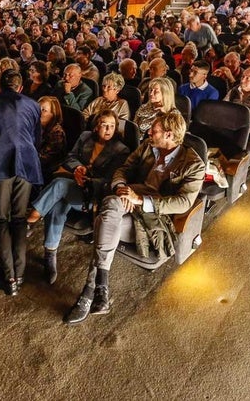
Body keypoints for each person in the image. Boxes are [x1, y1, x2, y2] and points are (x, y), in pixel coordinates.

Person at [64, 111, 205, 324]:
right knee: (110, 206)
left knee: (103, 223)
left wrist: (140, 200)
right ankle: (100, 288)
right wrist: (121, 187)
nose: (149, 132)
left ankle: (90, 292)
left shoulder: (193, 164)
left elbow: (183, 202)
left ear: (168, 135)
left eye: (155, 131)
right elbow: (124, 168)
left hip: (152, 219)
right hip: (126, 200)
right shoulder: (149, 146)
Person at [26, 110, 129, 284]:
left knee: (59, 185)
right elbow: (71, 157)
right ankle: (50, 254)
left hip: (94, 195)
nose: (108, 129)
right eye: (104, 125)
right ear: (96, 126)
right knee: (58, 203)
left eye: (112, 126)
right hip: (73, 185)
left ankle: (30, 219)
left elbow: (110, 180)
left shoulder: (121, 150)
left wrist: (88, 180)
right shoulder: (85, 137)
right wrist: (78, 169)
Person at [0, 70, 42, 296]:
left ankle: (9, 277)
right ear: (20, 87)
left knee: (1, 219)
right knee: (19, 218)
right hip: (27, 162)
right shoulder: (33, 105)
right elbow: (36, 138)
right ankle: (20, 274)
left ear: (0, 86)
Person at [37, 96, 67, 181]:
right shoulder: (35, 126)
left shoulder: (57, 132)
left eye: (44, 110)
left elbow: (46, 158)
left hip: (47, 169)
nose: (39, 112)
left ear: (53, 114)